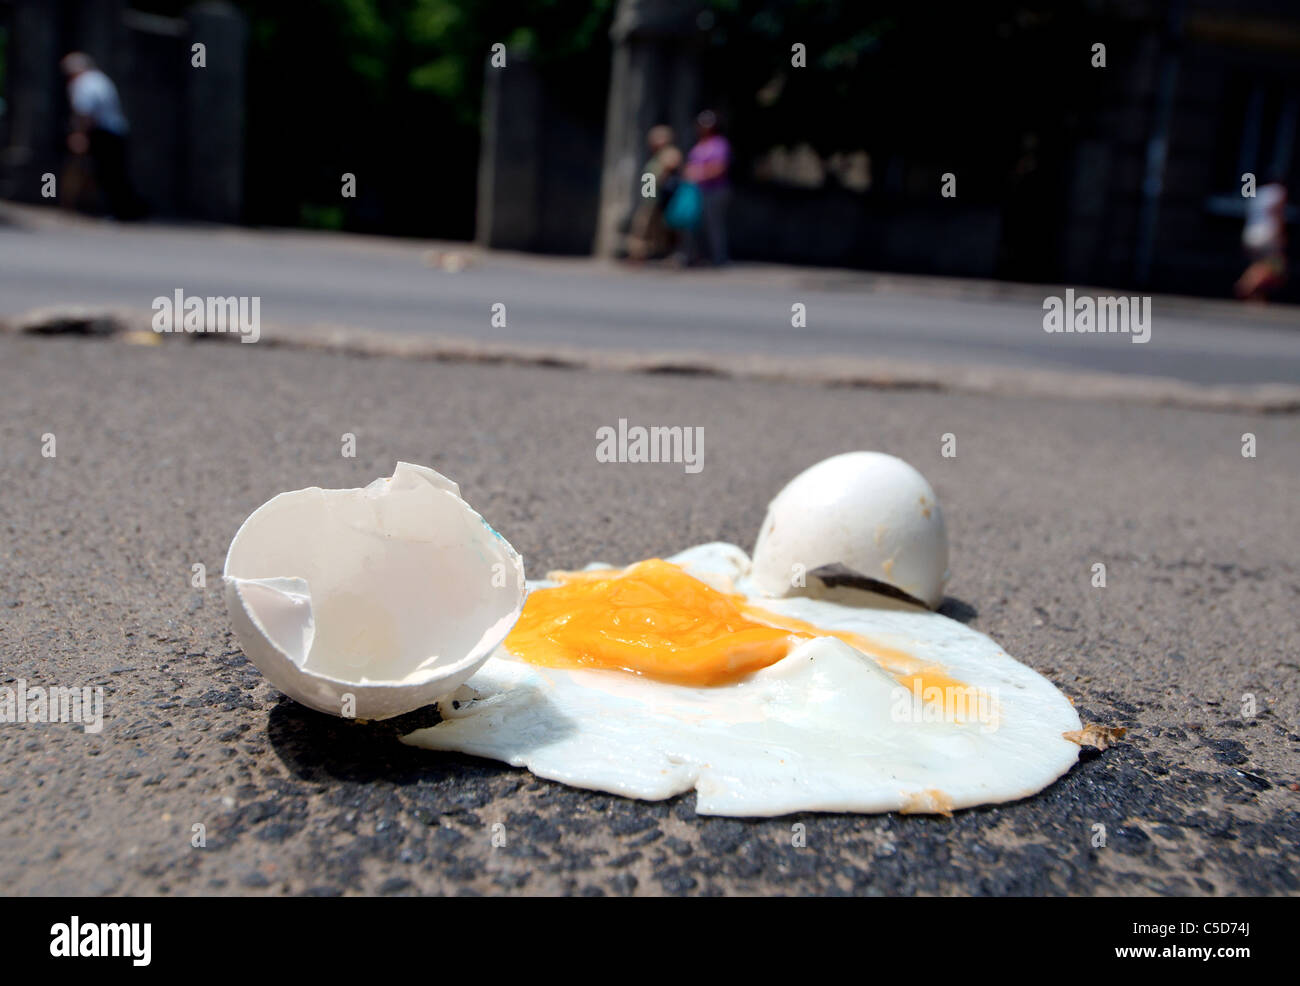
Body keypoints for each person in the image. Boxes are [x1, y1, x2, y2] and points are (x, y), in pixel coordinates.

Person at [60, 52, 143, 220]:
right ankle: (124, 211)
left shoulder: (83, 83)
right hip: (116, 130)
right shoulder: (99, 78)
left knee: (108, 174)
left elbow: (85, 111)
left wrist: (79, 135)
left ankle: (121, 212)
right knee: (115, 173)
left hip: (103, 133)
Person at [626, 125, 682, 262]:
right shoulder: (655, 155)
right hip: (650, 195)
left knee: (650, 226)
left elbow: (671, 167)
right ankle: (638, 254)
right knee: (643, 225)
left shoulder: (669, 153)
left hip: (661, 196)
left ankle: (641, 254)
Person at [682, 110, 731, 266]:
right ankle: (693, 256)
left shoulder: (719, 144)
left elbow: (720, 168)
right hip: (696, 191)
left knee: (714, 225)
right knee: (692, 224)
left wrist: (699, 174)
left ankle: (718, 258)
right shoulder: (699, 144)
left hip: (714, 191)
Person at [1235, 177, 1287, 302]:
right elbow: (1277, 215)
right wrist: (1281, 235)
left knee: (1260, 264)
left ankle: (1257, 295)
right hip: (1268, 234)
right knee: (1275, 266)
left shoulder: (1258, 193)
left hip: (1250, 234)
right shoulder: (1278, 191)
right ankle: (1248, 284)